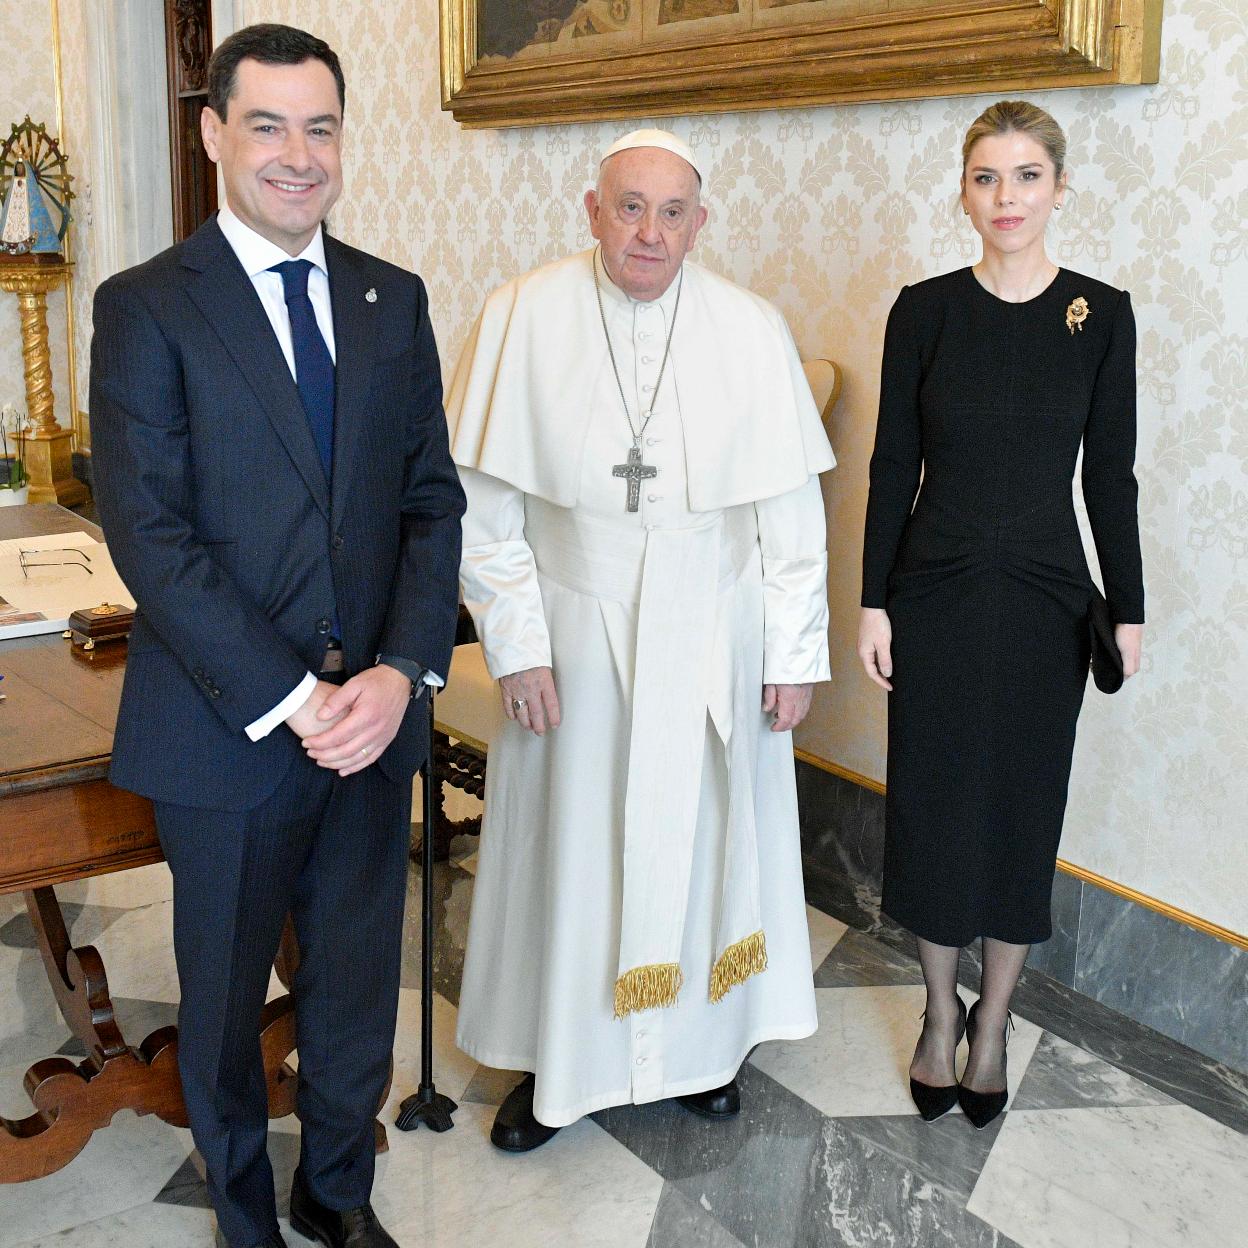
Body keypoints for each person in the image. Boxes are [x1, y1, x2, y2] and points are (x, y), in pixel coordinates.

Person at [90, 24, 465, 1248]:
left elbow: (428, 507)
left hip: (372, 729)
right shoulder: (146, 306)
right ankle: (244, 1214)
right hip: (229, 734)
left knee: (354, 993)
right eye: (267, 125)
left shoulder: (390, 298)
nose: (297, 156)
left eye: (320, 127)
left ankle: (337, 1195)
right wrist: (300, 699)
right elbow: (151, 537)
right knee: (222, 1006)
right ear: (213, 135)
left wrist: (402, 674)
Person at [446, 129, 836, 1150]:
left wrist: (793, 655)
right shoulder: (520, 316)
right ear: (591, 209)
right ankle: (557, 1067)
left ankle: (701, 1054)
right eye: (630, 207)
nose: (650, 232)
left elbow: (791, 516)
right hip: (576, 636)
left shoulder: (750, 331)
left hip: (714, 630)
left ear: (700, 223)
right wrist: (518, 644)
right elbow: (484, 510)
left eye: (673, 212)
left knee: (711, 842)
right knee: (570, 852)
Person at [857, 100, 1144, 1129]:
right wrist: (873, 600)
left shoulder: (1101, 314)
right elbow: (894, 464)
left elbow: (1111, 475)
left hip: (1045, 603)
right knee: (933, 812)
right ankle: (940, 1013)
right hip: (933, 594)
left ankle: (996, 1021)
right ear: (963, 192)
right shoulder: (923, 310)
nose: (1006, 197)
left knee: (1021, 809)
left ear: (1060, 189)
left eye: (1027, 176)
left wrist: (1133, 608)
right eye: (986, 176)